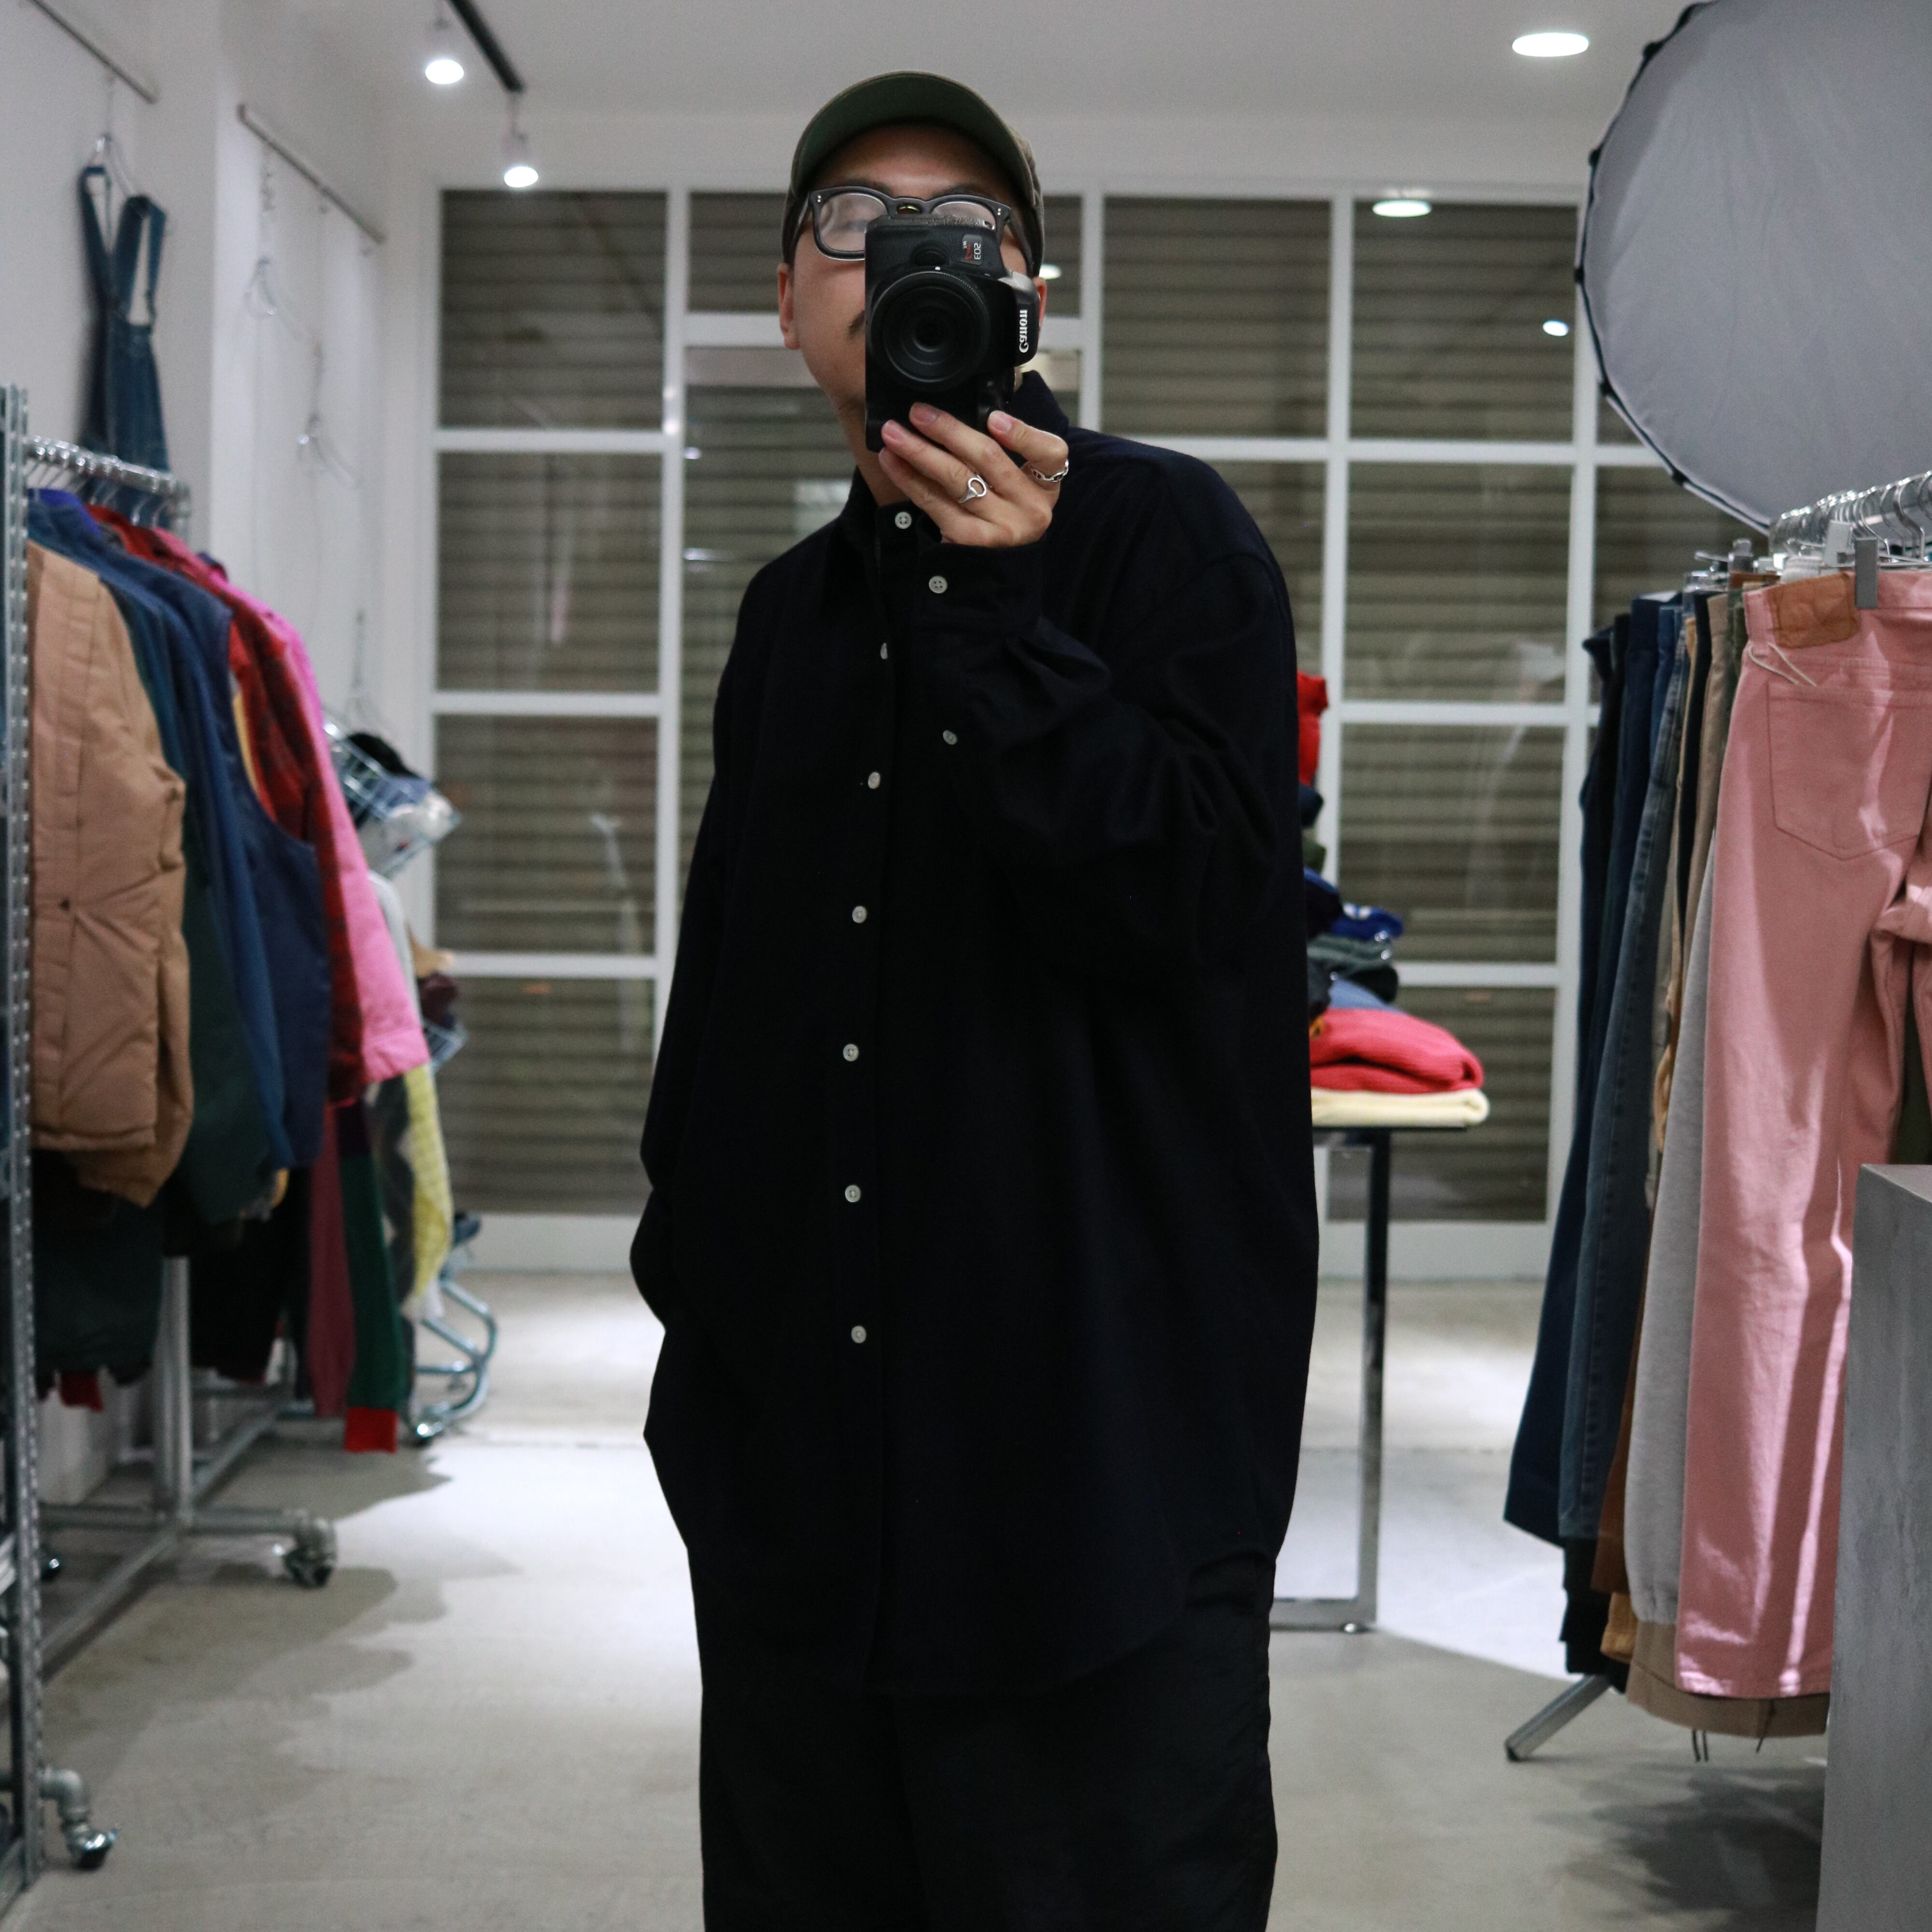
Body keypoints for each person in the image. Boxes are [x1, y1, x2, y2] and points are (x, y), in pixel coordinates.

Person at [633, 69, 1319, 1932]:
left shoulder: (1168, 542)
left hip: (1096, 1504)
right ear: (791, 300)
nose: (904, 260)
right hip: (802, 1516)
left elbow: (1196, 912)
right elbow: (736, 1002)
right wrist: (705, 1348)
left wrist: (1001, 617)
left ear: (1029, 297)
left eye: (960, 230)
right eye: (855, 225)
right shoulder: (786, 616)